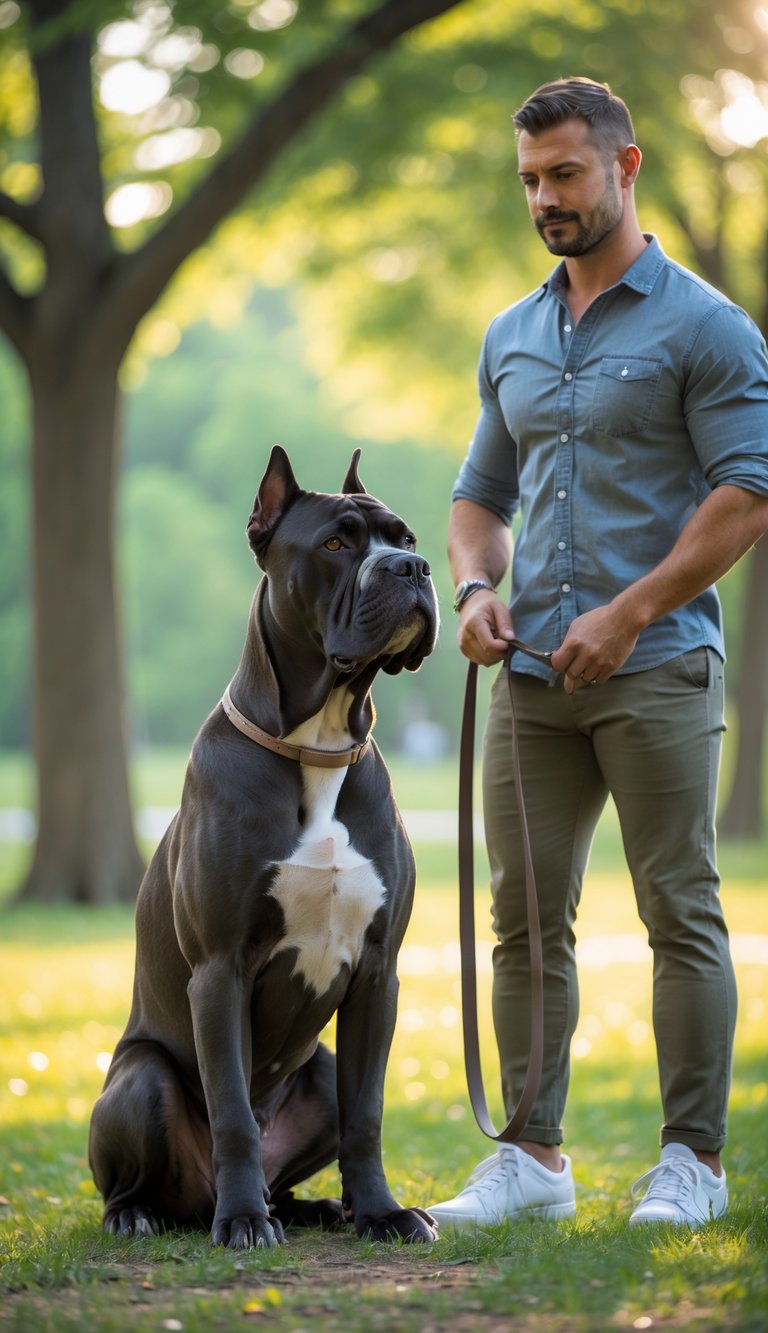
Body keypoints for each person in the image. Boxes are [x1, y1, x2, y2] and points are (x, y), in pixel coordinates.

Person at [429, 77, 768, 1231]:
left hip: (660, 669)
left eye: (565, 174)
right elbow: (478, 497)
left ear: (625, 169)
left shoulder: (708, 326)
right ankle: (531, 1155)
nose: (545, 198)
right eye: (530, 179)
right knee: (524, 922)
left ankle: (694, 1165)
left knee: (679, 909)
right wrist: (476, 587)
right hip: (527, 689)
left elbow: (745, 494)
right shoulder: (511, 333)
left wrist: (627, 612)